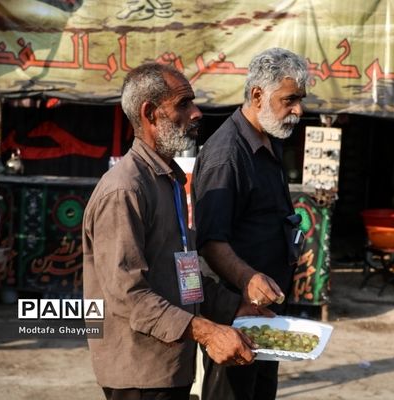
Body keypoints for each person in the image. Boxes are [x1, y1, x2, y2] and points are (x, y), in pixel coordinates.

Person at [83, 62, 265, 400]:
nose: (196, 113)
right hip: (140, 373)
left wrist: (234, 307)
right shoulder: (124, 190)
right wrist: (208, 333)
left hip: (172, 366)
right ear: (150, 113)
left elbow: (185, 276)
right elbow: (129, 295)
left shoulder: (167, 181)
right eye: (183, 104)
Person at [192, 48, 308, 400]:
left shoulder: (267, 140)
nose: (298, 110)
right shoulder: (226, 156)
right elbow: (211, 242)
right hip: (234, 315)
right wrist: (248, 278)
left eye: (300, 100)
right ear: (258, 95)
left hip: (263, 313)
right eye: (290, 100)